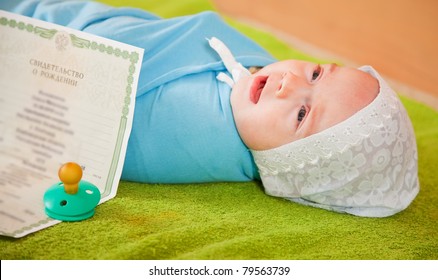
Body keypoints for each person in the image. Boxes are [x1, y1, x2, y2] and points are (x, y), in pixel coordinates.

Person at [1, 0, 419, 217]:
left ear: (290, 162)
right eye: (315, 74)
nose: (288, 82)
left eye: (301, 115)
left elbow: (77, 107)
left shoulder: (191, 133)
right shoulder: (259, 94)